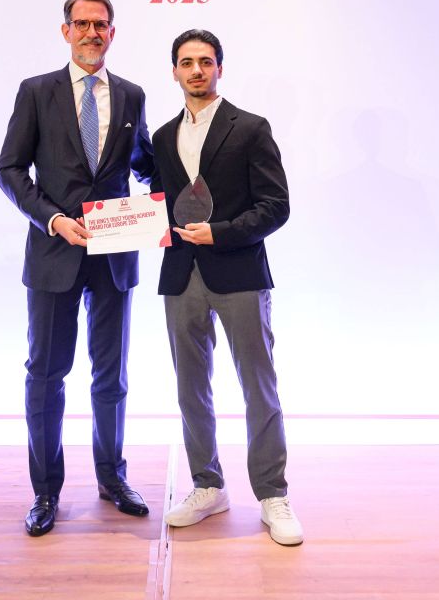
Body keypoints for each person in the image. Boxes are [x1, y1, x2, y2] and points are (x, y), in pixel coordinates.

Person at [0, 0, 155, 537]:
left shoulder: (132, 96)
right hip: (54, 250)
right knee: (46, 375)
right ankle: (45, 491)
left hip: (114, 252)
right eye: (82, 24)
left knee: (111, 376)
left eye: (101, 24)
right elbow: (10, 170)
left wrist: (185, 186)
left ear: (112, 32)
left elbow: (145, 165)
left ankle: (112, 478)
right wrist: (53, 219)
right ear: (66, 31)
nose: (92, 33)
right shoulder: (36, 92)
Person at [150, 29, 302, 546]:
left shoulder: (251, 128)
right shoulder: (161, 138)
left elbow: (276, 206)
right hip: (180, 275)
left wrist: (221, 232)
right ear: (174, 71)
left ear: (219, 67)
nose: (196, 70)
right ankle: (207, 485)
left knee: (258, 385)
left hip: (239, 272)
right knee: (190, 387)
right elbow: (159, 204)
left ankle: (272, 494)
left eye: (205, 61)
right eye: (186, 62)